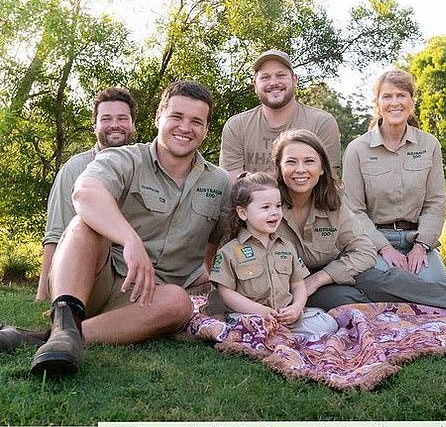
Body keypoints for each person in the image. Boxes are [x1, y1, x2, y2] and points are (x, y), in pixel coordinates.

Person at [15, 80, 231, 376]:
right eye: (177, 117)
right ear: (158, 118)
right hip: (94, 281)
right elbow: (86, 192)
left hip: (149, 301)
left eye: (197, 121)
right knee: (85, 223)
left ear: (206, 129)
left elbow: (220, 245)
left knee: (179, 303)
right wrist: (130, 239)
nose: (185, 127)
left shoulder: (220, 183)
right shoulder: (125, 158)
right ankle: (66, 318)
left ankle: (53, 337)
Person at [272, 129, 446, 319]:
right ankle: (424, 315)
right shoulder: (267, 204)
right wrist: (303, 286)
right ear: (279, 167)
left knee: (388, 281)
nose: (300, 170)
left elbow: (364, 251)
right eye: (291, 162)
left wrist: (320, 278)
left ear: (323, 168)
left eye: (309, 161)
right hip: (292, 286)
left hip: (331, 273)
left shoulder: (333, 203)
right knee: (347, 299)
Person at [343, 68, 446, 286]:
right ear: (377, 103)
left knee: (438, 285)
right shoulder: (357, 149)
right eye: (387, 96)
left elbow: (435, 202)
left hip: (416, 239)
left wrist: (421, 246)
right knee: (386, 285)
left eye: (401, 95)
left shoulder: (429, 144)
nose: (395, 103)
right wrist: (384, 248)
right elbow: (353, 210)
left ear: (412, 101)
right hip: (373, 240)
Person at [36, 86, 137, 302]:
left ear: (133, 124)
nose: (115, 125)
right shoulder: (74, 169)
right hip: (85, 272)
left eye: (122, 118)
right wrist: (42, 293)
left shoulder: (144, 166)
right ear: (95, 125)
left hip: (130, 276)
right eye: (106, 118)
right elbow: (55, 234)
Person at [210, 172, 337, 340]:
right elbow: (226, 293)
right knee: (244, 329)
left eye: (278, 206)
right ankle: (273, 337)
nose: (275, 212)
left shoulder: (286, 247)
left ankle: (278, 336)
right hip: (250, 317)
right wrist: (260, 311)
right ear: (243, 213)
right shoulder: (230, 251)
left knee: (328, 323)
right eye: (265, 207)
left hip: (285, 318)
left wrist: (297, 308)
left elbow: (298, 285)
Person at [219, 49, 341, 179]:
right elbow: (232, 182)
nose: (273, 82)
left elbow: (328, 182)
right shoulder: (237, 126)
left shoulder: (321, 123)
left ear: (294, 79)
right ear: (255, 85)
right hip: (253, 200)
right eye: (265, 77)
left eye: (281, 75)